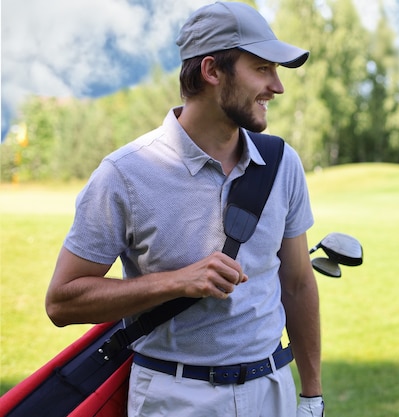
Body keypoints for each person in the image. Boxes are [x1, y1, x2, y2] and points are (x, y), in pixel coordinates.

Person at [45, 2, 324, 416]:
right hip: (173, 398)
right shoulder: (125, 174)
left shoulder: (283, 164)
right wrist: (176, 282)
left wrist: (312, 396)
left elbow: (298, 284)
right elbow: (62, 302)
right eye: (262, 68)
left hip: (272, 391)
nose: (277, 86)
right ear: (212, 71)